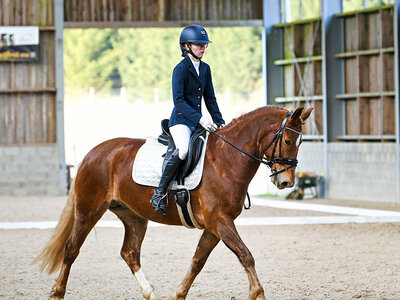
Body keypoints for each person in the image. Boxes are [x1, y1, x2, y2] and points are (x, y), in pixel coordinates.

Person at [150, 24, 225, 215]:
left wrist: (220, 121)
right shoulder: (180, 69)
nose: (202, 48)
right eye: (198, 45)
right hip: (181, 121)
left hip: (199, 122)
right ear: (186, 46)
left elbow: (210, 98)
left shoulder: (206, 69)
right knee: (183, 150)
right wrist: (200, 118)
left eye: (204, 45)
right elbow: (179, 101)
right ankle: (159, 192)